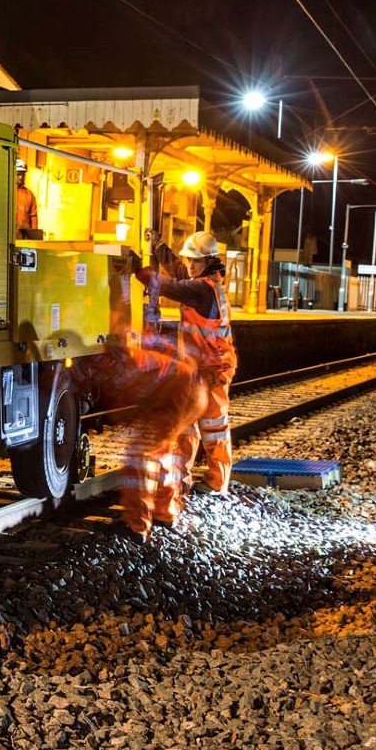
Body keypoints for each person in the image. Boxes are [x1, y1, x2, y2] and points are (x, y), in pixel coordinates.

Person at [135, 229, 238, 496]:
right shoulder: (203, 282)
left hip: (213, 369)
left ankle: (217, 484)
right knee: (187, 425)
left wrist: (139, 270)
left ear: (209, 263)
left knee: (213, 429)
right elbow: (180, 272)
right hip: (201, 368)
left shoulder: (203, 289)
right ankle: (182, 480)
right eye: (189, 260)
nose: (191, 266)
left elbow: (172, 285)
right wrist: (159, 247)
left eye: (196, 261)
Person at [71, 340, 205, 539]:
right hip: (191, 392)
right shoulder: (125, 360)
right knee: (163, 454)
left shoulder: (123, 367)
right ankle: (165, 513)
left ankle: (136, 525)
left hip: (177, 396)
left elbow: (138, 398)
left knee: (139, 457)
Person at [14, 160, 41, 238]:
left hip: (25, 235)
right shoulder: (5, 191)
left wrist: (34, 235)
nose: (21, 177)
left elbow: (34, 217)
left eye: (23, 175)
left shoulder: (29, 195)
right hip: (8, 234)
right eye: (18, 174)